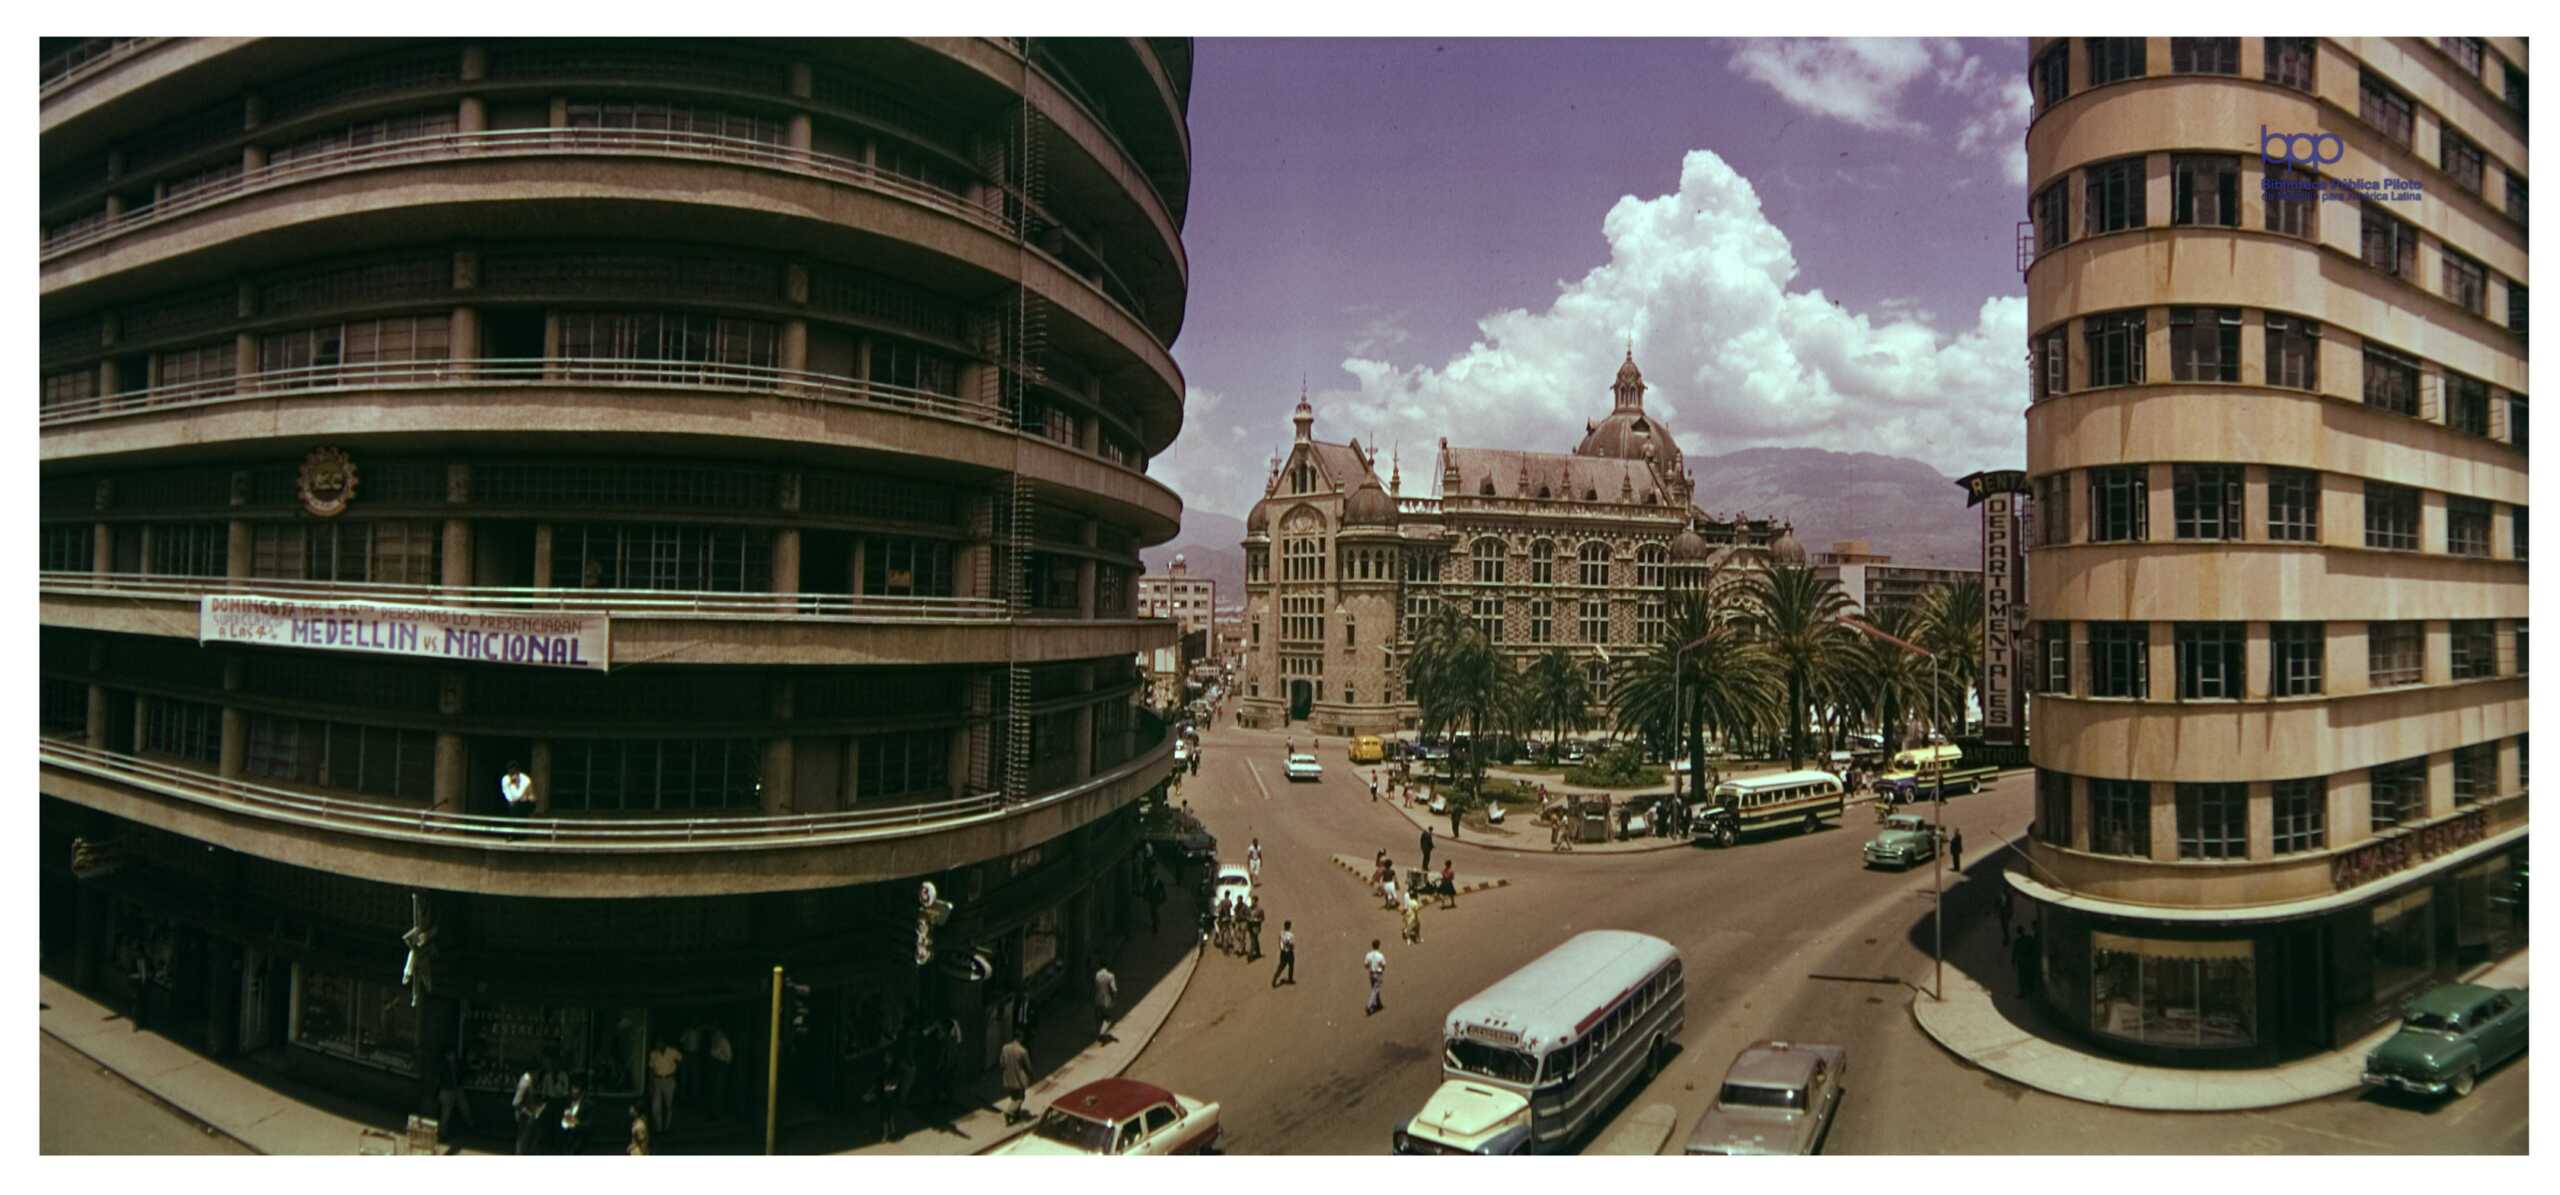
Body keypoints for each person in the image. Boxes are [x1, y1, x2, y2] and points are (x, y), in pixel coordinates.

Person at [437, 1047, 477, 1137]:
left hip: (456, 1089)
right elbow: (442, 1079)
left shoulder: (456, 1064)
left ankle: (470, 1125)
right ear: (447, 1056)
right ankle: (442, 1133)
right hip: (447, 1091)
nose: (453, 1057)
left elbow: (465, 1069)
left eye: (453, 1055)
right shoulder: (443, 1066)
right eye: (451, 1055)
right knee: (446, 1113)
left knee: (464, 1107)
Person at [646, 1039, 682, 1133]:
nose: (657, 1044)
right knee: (655, 1106)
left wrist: (677, 1074)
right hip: (657, 1080)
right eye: (656, 1043)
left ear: (664, 1042)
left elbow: (681, 1060)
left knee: (668, 1105)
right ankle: (659, 1128)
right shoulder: (653, 1054)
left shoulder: (672, 1051)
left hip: (669, 1080)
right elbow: (651, 1069)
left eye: (659, 1042)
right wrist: (650, 1084)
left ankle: (667, 1127)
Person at [1000, 1030, 1033, 1124]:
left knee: (1013, 1097)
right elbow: (1028, 1066)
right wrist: (1031, 1076)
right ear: (1020, 1038)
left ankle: (1016, 1116)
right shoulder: (1023, 1051)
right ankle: (1009, 1112)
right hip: (1019, 1079)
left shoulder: (1005, 1048)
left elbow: (1001, 1063)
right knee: (1020, 1098)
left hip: (1008, 1078)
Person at [705, 1023, 734, 1119]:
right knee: (714, 1089)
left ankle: (718, 1113)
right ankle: (714, 1112)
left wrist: (721, 1060)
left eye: (715, 1030)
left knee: (719, 1089)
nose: (714, 1033)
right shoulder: (715, 1039)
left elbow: (729, 1056)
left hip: (721, 1066)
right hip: (715, 1065)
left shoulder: (723, 1040)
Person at [557, 1080, 590, 1155]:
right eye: (572, 1088)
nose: (573, 1091)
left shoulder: (588, 1105)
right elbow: (563, 1118)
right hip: (566, 1138)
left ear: (582, 1092)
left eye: (576, 1088)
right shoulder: (568, 1102)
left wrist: (575, 1124)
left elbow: (588, 1124)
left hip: (579, 1139)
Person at [1093, 961, 1120, 1043]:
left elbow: (1095, 986)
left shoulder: (1097, 975)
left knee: (1098, 1017)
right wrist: (1114, 1000)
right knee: (1108, 1018)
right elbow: (1114, 989)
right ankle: (1102, 1033)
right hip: (1106, 999)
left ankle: (1098, 1035)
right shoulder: (1110, 976)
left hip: (1097, 998)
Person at [2010, 925, 2040, 998]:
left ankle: (2023, 992)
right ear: (2024, 931)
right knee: (2030, 976)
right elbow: (2035, 948)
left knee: (2022, 978)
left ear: (2018, 933)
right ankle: (2031, 991)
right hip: (2030, 961)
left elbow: (2014, 953)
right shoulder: (2029, 938)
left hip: (2022, 962)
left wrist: (2013, 962)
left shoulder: (2017, 942)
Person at [1364, 939, 1387, 1016]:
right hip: (1378, 974)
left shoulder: (1368, 954)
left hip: (1371, 974)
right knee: (1375, 989)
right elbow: (1383, 965)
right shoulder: (1380, 955)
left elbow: (1366, 965)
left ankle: (1378, 1004)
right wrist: (1381, 970)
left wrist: (1370, 967)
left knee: (1375, 989)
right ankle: (1369, 1005)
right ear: (1379, 946)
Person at [1270, 920, 1296, 987]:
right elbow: (1290, 944)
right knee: (1291, 966)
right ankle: (1290, 979)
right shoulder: (1290, 935)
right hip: (1289, 952)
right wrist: (1292, 947)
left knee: (1281, 966)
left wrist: (1282, 948)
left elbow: (1279, 941)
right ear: (1289, 926)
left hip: (1282, 952)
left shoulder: (1281, 933)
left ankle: (1275, 978)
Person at [1995, 880, 2014, 946]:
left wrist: (2010, 913)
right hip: (2002, 912)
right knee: (2004, 926)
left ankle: (2007, 938)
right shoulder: (2001, 894)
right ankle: (2006, 937)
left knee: (2005, 926)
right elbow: (1997, 902)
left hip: (2006, 913)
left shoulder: (2009, 896)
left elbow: (2010, 906)